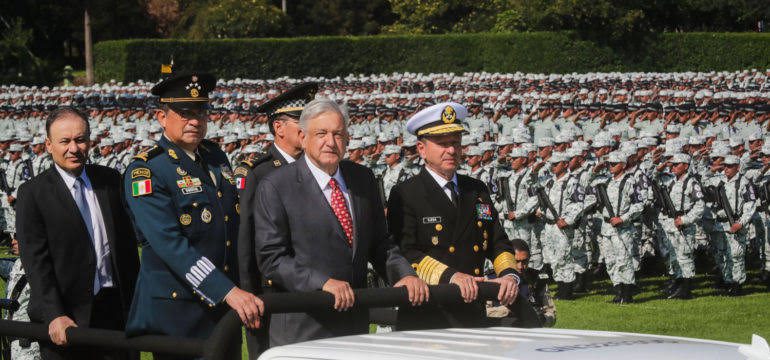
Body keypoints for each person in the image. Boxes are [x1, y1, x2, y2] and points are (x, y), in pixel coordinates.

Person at [252, 98, 428, 347]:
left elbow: (380, 244)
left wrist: (404, 274)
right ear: (302, 137)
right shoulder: (276, 186)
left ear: (347, 139)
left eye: (338, 134)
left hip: (354, 326)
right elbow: (272, 259)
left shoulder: (362, 179)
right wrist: (320, 283)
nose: (330, 142)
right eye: (321, 133)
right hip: (303, 329)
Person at [122, 72, 263, 359]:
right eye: (185, 113)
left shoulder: (215, 157)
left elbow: (230, 227)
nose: (195, 121)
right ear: (162, 117)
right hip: (180, 311)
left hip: (223, 307)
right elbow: (170, 246)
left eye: (201, 112)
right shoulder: (148, 170)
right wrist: (226, 290)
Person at [387, 102, 534, 330]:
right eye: (442, 144)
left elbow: (496, 240)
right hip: (429, 310)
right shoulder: (406, 193)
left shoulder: (475, 189)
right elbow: (405, 252)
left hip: (471, 308)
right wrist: (452, 277)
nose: (452, 151)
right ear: (422, 149)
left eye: (456, 143)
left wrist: (508, 276)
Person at [16, 107, 140, 360]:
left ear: (89, 141)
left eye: (80, 139)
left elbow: (128, 250)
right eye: (65, 141)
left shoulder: (111, 180)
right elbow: (36, 262)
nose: (74, 148)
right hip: (66, 317)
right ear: (49, 145)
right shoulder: (33, 193)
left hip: (116, 313)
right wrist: (54, 314)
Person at [234, 82, 317, 359]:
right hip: (276, 293)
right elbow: (247, 240)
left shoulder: (317, 167)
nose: (308, 127)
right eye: (300, 121)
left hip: (317, 286)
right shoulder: (259, 173)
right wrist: (250, 294)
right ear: (279, 128)